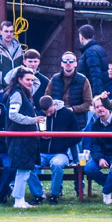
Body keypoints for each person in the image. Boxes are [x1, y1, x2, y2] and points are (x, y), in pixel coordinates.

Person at [43, 51, 92, 204]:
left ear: (76, 63)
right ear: (61, 64)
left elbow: (88, 103)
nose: (68, 64)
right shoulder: (54, 79)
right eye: (65, 61)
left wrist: (71, 110)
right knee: (59, 157)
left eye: (71, 61)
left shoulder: (83, 80)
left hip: (77, 125)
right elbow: (46, 99)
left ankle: (80, 189)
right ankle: (58, 190)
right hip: (57, 124)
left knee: (77, 161)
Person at [0, 69, 46, 208]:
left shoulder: (25, 93)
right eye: (27, 79)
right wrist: (33, 120)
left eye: (32, 79)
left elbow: (37, 82)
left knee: (24, 171)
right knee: (23, 171)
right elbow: (13, 115)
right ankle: (19, 200)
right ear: (19, 79)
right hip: (20, 138)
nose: (31, 82)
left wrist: (29, 70)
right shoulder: (17, 94)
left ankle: (19, 199)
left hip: (26, 139)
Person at [84, 97, 112, 205]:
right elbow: (94, 145)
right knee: (89, 168)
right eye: (97, 107)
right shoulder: (95, 124)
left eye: (102, 106)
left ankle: (106, 192)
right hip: (103, 155)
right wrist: (100, 158)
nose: (100, 109)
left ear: (108, 106)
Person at [79, 24, 109, 100]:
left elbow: (96, 75)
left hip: (92, 93)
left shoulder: (90, 52)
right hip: (101, 91)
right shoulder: (99, 49)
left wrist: (96, 96)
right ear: (92, 36)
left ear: (81, 37)